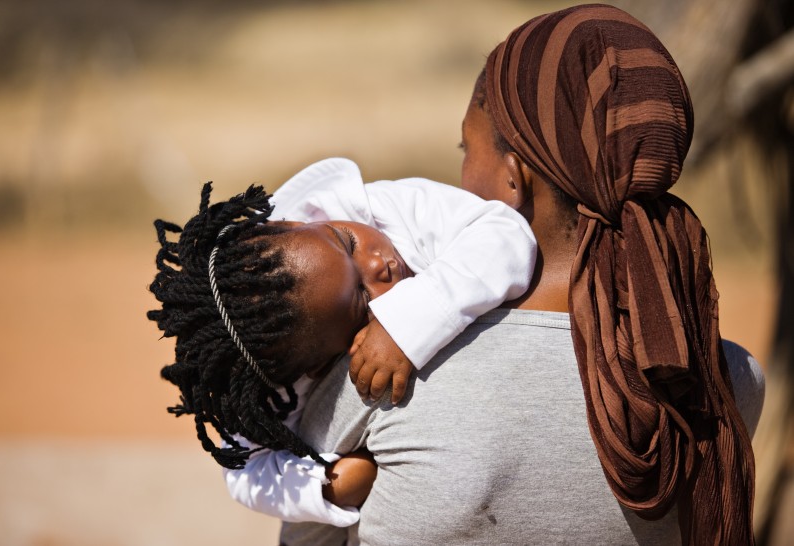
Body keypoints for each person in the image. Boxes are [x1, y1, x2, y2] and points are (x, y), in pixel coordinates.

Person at [280, 4, 764, 545]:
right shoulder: (727, 381)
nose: (461, 178)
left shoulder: (384, 373)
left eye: (468, 149)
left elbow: (307, 536)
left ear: (515, 179)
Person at [148, 157, 536, 526]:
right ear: (316, 366)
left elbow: (506, 234)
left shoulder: (379, 207)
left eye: (348, 242)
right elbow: (245, 471)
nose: (378, 264)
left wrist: (407, 322)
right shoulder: (278, 366)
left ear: (295, 222)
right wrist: (325, 485)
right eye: (363, 298)